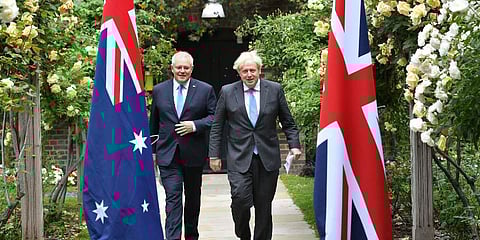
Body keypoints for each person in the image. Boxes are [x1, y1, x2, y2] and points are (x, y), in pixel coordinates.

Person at [209, 50, 302, 240]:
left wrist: (294, 145)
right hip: (239, 157)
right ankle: (243, 235)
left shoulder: (274, 89)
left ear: (259, 70)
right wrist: (214, 155)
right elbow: (217, 126)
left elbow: (288, 121)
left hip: (267, 158)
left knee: (263, 206)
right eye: (245, 71)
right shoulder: (228, 92)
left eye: (252, 70)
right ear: (239, 73)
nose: (249, 75)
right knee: (241, 201)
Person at [150, 51, 217, 240]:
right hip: (168, 153)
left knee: (193, 199)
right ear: (172, 68)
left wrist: (195, 125)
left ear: (192, 69)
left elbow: (215, 118)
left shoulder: (205, 90)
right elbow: (154, 122)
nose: (182, 71)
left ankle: (191, 236)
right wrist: (153, 151)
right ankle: (172, 237)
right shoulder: (159, 90)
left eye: (186, 68)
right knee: (173, 197)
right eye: (178, 67)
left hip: (193, 154)